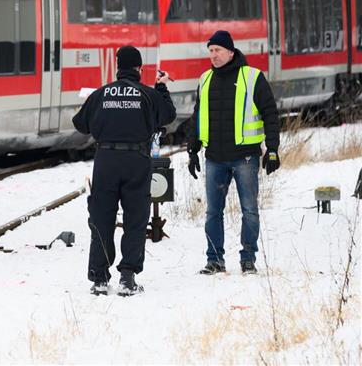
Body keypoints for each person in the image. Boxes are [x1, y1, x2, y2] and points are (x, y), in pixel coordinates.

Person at [73, 45, 176, 296]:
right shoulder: (147, 94)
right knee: (135, 219)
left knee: (101, 218)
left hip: (106, 160)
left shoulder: (102, 93)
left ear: (118, 67)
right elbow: (168, 115)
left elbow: (80, 123)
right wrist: (161, 87)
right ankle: (127, 277)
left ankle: (99, 278)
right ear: (139, 69)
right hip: (136, 161)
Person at [187, 30, 280, 276]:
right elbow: (197, 117)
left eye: (217, 50)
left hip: (245, 158)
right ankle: (215, 260)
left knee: (249, 210)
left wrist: (272, 149)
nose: (213, 55)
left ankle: (248, 258)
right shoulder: (205, 79)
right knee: (212, 212)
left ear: (230, 51)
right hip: (214, 157)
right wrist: (192, 149)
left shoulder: (252, 77)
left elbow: (270, 114)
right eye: (210, 51)